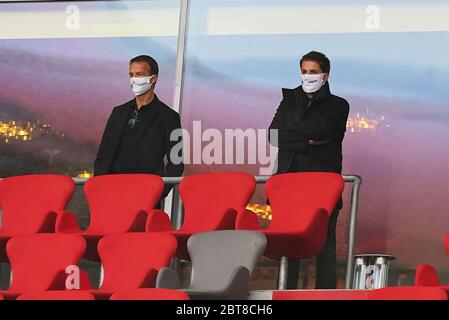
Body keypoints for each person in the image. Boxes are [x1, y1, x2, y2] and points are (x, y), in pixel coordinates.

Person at [269, 51, 350, 289]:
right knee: (289, 247)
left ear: (325, 75)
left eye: (313, 72)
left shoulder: (338, 105)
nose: (307, 76)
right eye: (304, 71)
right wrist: (307, 141)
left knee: (325, 248)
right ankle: (285, 293)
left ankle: (325, 295)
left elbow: (325, 131)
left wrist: (291, 130)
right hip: (289, 183)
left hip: (322, 187)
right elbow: (273, 135)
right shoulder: (289, 100)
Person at [94, 55, 183, 198]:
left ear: (153, 79)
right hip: (111, 192)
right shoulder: (118, 113)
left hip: (145, 194)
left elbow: (176, 162)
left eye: (139, 74)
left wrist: (158, 193)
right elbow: (102, 154)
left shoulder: (169, 117)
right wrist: (99, 187)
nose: (134, 79)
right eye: (131, 75)